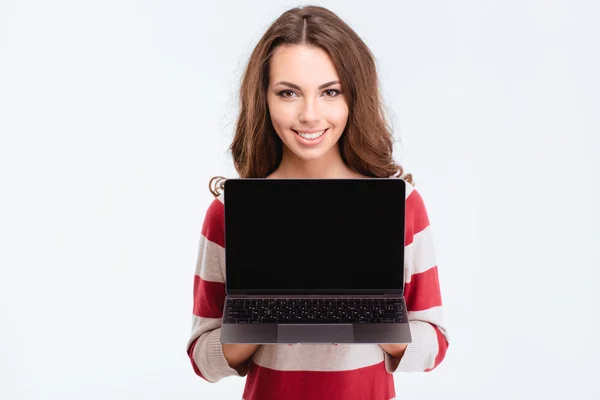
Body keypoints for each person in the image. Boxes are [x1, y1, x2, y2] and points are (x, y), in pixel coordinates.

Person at [186, 5, 449, 399]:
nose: (309, 115)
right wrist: (260, 322)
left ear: (353, 97)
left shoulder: (402, 205)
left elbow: (435, 344)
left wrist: (379, 323)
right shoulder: (229, 213)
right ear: (264, 99)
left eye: (330, 91)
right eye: (288, 93)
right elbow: (201, 356)